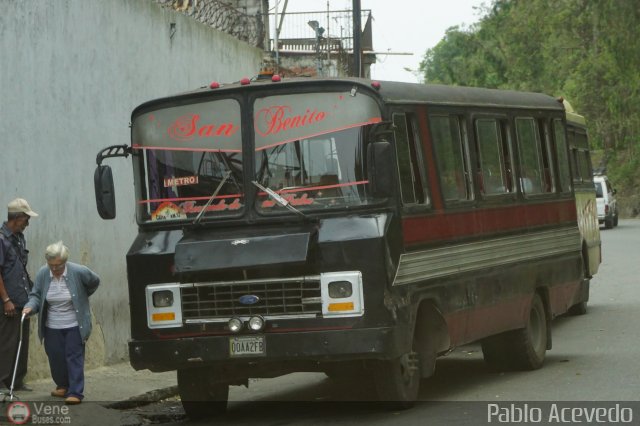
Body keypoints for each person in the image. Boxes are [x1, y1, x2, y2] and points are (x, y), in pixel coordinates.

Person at [22, 241, 100, 405]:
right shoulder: (44, 273)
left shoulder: (78, 271)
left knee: (74, 356)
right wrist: (29, 307)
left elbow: (94, 281)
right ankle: (63, 385)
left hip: (74, 324)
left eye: (59, 265)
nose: (55, 269)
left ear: (65, 262)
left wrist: (81, 296)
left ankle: (76, 391)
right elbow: (36, 295)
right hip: (52, 325)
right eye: (52, 265)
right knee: (55, 357)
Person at [0, 198, 38, 392]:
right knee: (7, 342)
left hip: (23, 299)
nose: (28, 223)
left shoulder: (19, 237)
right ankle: (2, 381)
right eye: (26, 219)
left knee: (22, 341)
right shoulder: (1, 239)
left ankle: (17, 380)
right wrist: (6, 300)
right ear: (18, 218)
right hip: (8, 301)